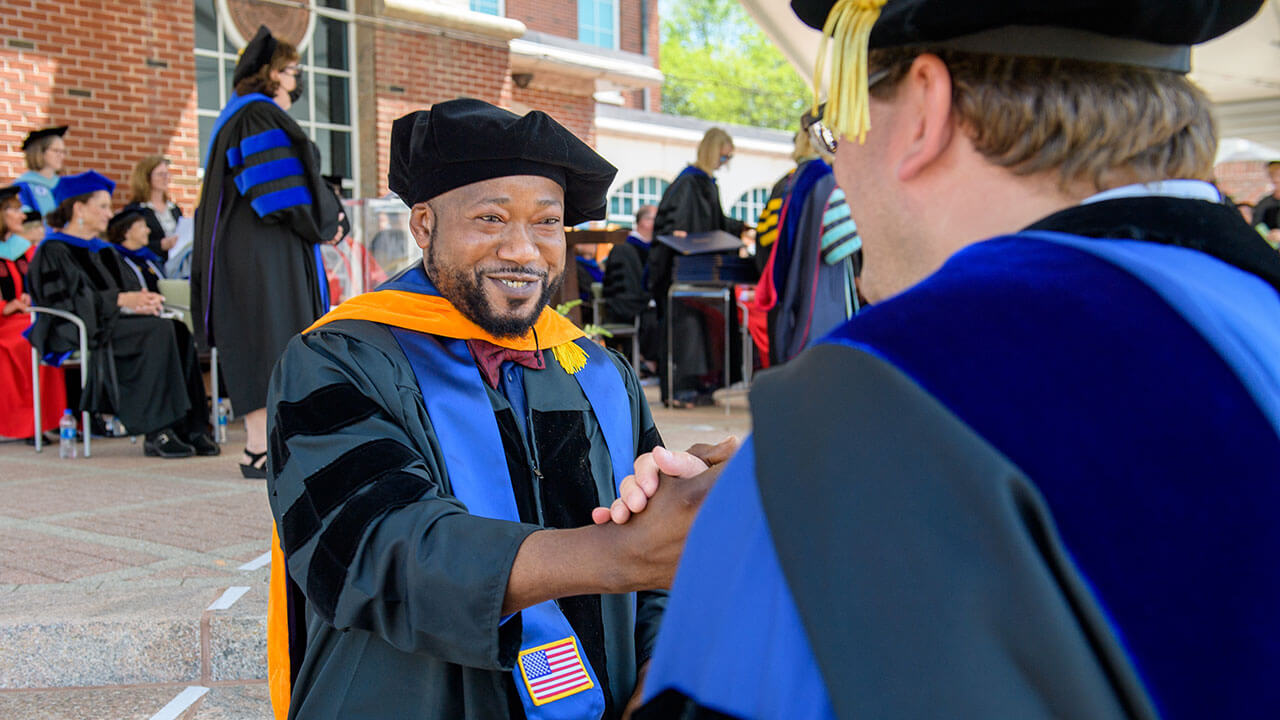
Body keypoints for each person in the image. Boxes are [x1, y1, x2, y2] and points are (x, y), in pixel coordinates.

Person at [624, 1, 1280, 718]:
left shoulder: (866, 406)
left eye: (831, 130)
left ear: (925, 112)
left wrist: (784, 490)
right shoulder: (1251, 311)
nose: (835, 167)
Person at [264, 98, 728, 719]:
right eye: (490, 218)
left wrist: (658, 665)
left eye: (547, 223)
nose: (525, 250)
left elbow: (654, 584)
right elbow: (374, 551)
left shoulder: (597, 372)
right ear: (424, 226)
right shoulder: (336, 361)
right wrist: (621, 554)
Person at [192, 25, 342, 478]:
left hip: (255, 247)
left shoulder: (237, 116)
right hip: (265, 250)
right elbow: (280, 192)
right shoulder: (257, 116)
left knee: (264, 337)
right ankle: (260, 448)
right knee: (269, 337)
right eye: (292, 70)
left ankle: (266, 446)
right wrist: (326, 222)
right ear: (271, 74)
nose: (298, 80)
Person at [26, 171, 219, 458]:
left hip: (111, 322)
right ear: (79, 208)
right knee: (157, 332)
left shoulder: (103, 250)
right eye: (102, 206)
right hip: (72, 327)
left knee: (176, 330)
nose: (110, 213)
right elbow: (62, 302)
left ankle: (191, 427)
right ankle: (158, 431)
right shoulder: (53, 250)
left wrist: (141, 301)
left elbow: (126, 293)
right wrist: (119, 300)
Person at [649, 128, 748, 407]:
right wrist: (682, 237)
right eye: (723, 155)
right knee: (687, 330)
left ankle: (704, 384)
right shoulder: (687, 183)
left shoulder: (706, 184)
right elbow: (671, 228)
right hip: (684, 270)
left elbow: (715, 223)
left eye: (728, 158)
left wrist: (739, 227)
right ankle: (680, 389)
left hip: (703, 271)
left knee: (706, 329)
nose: (724, 162)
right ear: (711, 150)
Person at [0, 185, 65, 441]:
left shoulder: (26, 249)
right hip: (5, 324)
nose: (23, 216)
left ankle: (53, 416)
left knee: (47, 334)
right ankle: (28, 422)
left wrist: (29, 297)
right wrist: (6, 306)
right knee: (27, 341)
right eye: (16, 210)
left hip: (27, 316)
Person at [602, 204, 659, 369]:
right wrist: (647, 301)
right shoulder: (624, 250)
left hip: (643, 305)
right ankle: (645, 363)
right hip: (628, 308)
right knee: (653, 319)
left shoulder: (655, 249)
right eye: (655, 219)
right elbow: (623, 289)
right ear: (644, 221)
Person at [122, 155, 182, 263]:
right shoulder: (135, 210)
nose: (165, 178)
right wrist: (161, 245)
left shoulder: (174, 209)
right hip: (152, 266)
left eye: (167, 173)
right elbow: (131, 244)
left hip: (177, 265)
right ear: (146, 178)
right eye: (160, 174)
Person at [13, 126, 68, 218]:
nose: (61, 156)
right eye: (56, 151)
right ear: (39, 152)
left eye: (63, 152)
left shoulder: (63, 185)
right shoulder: (24, 187)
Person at [106, 209, 165, 292]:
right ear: (126, 232)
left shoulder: (150, 258)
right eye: (141, 226)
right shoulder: (114, 260)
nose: (148, 230)